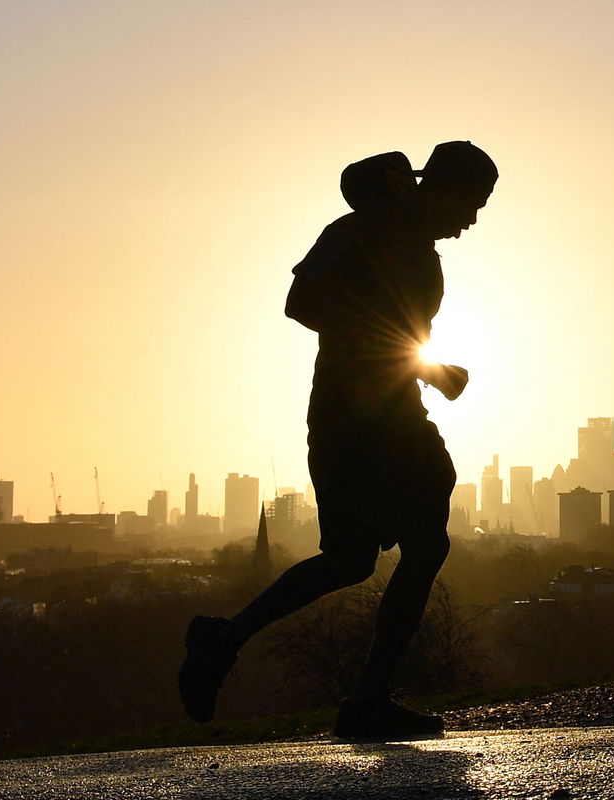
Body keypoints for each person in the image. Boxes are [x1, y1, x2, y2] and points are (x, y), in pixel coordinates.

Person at [179, 141, 497, 738]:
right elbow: (302, 303)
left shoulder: (423, 257)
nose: (472, 220)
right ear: (443, 188)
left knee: (409, 550)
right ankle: (236, 645)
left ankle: (352, 692)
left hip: (397, 418)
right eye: (472, 203)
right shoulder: (357, 229)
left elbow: (392, 340)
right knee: (358, 559)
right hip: (350, 422)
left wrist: (428, 370)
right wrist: (431, 368)